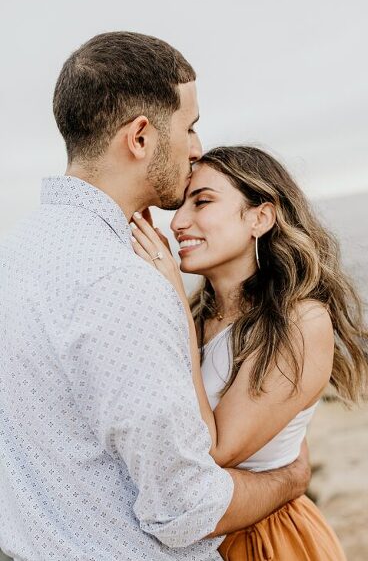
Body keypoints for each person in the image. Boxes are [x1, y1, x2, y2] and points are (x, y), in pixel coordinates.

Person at [0, 32, 311, 560]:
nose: (195, 147)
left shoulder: (16, 251)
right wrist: (291, 479)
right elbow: (183, 508)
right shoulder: (121, 282)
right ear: (141, 137)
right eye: (189, 127)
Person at [129, 145, 368, 560]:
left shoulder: (300, 321)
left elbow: (212, 450)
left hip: (261, 541)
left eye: (203, 201)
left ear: (259, 217)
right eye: (180, 206)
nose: (178, 222)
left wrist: (172, 300)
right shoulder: (196, 315)